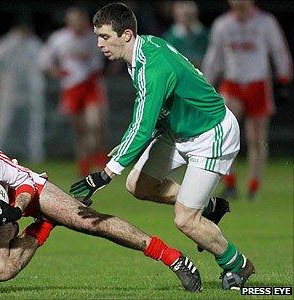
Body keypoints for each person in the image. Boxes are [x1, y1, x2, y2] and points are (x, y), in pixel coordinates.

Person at [70, 3, 254, 290]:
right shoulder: (143, 50)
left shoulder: (152, 67)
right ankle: (208, 207)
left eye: (105, 37)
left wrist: (105, 174)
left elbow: (142, 126)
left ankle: (237, 264)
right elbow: (148, 115)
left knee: (185, 220)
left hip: (210, 134)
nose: (99, 44)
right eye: (97, 37)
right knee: (138, 186)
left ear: (127, 34)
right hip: (178, 131)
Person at [0, 138, 202, 294]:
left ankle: (172, 257)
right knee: (1, 272)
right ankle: (44, 226)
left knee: (90, 221)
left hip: (26, 192)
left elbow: (25, 181)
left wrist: (18, 208)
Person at [202, 0, 292, 200]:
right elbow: (214, 56)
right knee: (225, 136)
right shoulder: (223, 24)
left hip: (258, 84)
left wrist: (284, 78)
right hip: (232, 84)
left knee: (256, 139)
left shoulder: (265, 22)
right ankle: (230, 183)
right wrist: (206, 84)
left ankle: (253, 185)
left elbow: (278, 50)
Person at [40, 7, 108, 176]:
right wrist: (57, 72)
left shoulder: (93, 38)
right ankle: (84, 163)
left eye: (80, 20)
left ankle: (98, 156)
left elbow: (102, 59)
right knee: (79, 130)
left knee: (95, 124)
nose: (78, 24)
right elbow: (44, 60)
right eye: (74, 20)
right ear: (68, 22)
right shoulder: (59, 39)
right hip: (71, 87)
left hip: (91, 84)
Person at [0, 22, 45, 163]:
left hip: (29, 91)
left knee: (32, 126)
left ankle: (35, 156)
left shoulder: (34, 44)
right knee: (2, 125)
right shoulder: (5, 44)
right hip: (9, 90)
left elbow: (44, 63)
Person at [163, 1, 208, 69]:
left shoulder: (206, 35)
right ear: (174, 12)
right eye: (181, 6)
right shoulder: (169, 39)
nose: (185, 9)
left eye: (189, 4)